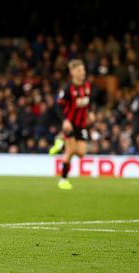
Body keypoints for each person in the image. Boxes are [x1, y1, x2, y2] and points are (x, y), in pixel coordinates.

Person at [49, 59, 93, 190]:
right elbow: (58, 106)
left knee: (81, 153)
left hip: (82, 124)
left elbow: (86, 103)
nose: (82, 73)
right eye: (79, 70)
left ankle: (60, 143)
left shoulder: (87, 86)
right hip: (70, 124)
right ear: (72, 72)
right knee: (71, 151)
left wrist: (90, 113)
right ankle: (63, 180)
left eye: (83, 70)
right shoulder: (68, 88)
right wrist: (65, 120)